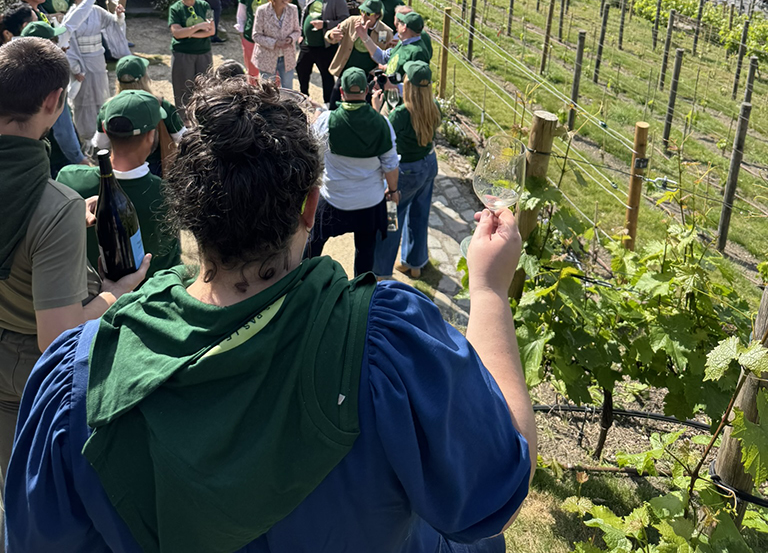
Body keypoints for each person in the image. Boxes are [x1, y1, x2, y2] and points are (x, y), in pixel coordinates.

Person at [6, 75, 535, 553]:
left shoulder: (78, 374)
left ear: (188, 213)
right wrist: (489, 292)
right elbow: (497, 487)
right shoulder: (388, 344)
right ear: (310, 206)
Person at [0, 39, 149, 533]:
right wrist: (116, 293)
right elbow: (55, 336)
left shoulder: (50, 206)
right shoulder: (53, 204)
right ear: (53, 102)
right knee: (32, 500)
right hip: (20, 378)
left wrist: (57, 227)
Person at [57, 91, 182, 278]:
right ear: (150, 136)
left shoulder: (68, 179)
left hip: (82, 296)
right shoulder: (164, 193)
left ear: (106, 131)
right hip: (143, 301)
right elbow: (171, 264)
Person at [308, 67, 399, 275]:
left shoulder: (326, 121)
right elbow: (391, 166)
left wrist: (316, 114)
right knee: (365, 250)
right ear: (367, 91)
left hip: (333, 198)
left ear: (341, 92)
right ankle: (360, 288)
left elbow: (312, 148)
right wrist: (393, 191)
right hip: (369, 202)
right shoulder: (382, 124)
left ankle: (304, 280)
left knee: (313, 242)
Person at [372, 61, 440, 280]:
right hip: (428, 165)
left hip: (403, 175)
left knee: (391, 219)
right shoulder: (434, 106)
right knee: (419, 214)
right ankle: (415, 263)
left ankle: (381, 271)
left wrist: (376, 109)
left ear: (407, 84)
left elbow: (384, 135)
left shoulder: (401, 114)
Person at [61, 0, 127, 144]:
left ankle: (101, 132)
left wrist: (119, 15)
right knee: (84, 98)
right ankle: (86, 135)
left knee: (100, 93)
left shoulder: (96, 10)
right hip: (82, 60)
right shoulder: (71, 16)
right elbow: (69, 44)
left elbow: (112, 23)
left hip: (97, 57)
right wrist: (75, 68)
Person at [19, 20, 88, 175]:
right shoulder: (52, 83)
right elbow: (63, 132)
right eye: (55, 42)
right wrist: (81, 160)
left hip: (30, 156)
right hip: (58, 158)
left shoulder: (19, 75)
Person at [102, 55, 186, 176]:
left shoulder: (107, 108)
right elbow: (181, 137)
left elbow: (101, 143)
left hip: (119, 169)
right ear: (145, 78)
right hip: (157, 169)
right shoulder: (161, 105)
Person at [325, 0, 394, 108]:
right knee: (334, 103)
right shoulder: (352, 21)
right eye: (362, 11)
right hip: (346, 72)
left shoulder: (386, 32)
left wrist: (377, 71)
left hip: (367, 77)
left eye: (368, 13)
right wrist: (332, 35)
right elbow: (330, 34)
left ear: (377, 15)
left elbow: (386, 58)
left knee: (364, 107)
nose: (363, 15)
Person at [296, 0, 348, 104]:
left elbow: (345, 21)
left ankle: (327, 103)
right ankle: (303, 97)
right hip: (307, 43)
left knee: (327, 75)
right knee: (301, 68)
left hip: (325, 45)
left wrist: (325, 24)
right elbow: (304, 13)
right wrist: (301, 33)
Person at [168, 0, 216, 110]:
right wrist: (198, 27)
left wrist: (188, 33)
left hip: (203, 53)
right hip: (183, 54)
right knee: (183, 90)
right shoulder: (175, 9)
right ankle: (183, 122)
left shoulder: (204, 5)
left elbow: (211, 31)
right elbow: (177, 33)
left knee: (205, 89)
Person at [354, 9, 432, 85]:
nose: (397, 25)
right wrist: (364, 37)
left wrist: (393, 86)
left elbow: (418, 84)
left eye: (400, 23)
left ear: (404, 27)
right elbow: (382, 57)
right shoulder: (402, 43)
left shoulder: (418, 52)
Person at [251, 0, 301, 88]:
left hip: (287, 57)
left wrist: (291, 39)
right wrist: (275, 43)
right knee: (267, 92)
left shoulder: (293, 9)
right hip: (266, 57)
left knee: (288, 91)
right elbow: (256, 35)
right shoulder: (262, 11)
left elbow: (297, 31)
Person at [235, 0, 272, 83]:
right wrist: (241, 31)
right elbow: (242, 12)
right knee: (252, 74)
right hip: (249, 36)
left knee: (272, 75)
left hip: (270, 38)